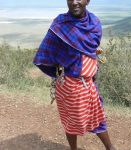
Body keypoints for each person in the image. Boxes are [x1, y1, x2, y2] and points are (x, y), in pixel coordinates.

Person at [33, 0, 116, 150]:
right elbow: (50, 55)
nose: (74, 2)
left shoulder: (94, 23)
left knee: (97, 118)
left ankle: (110, 148)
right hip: (69, 85)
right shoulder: (60, 25)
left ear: (88, 1)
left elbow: (90, 50)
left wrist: (92, 68)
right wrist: (60, 78)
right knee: (71, 121)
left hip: (89, 84)